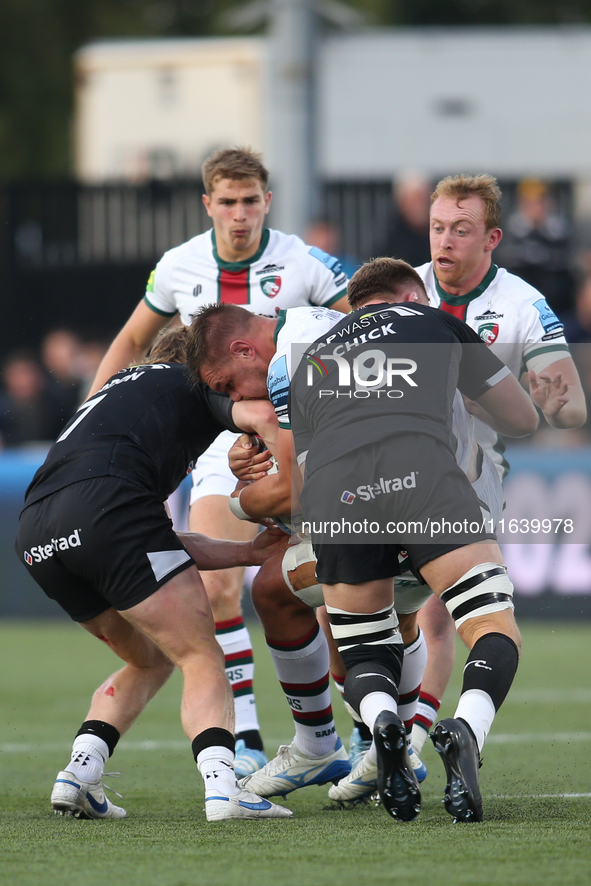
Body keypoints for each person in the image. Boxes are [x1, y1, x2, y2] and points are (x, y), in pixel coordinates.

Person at [85, 147, 350, 776]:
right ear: (208, 204)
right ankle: (249, 738)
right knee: (216, 585)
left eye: (250, 201)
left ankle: (358, 735)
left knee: (335, 584)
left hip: (296, 438)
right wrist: (92, 419)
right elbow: (131, 341)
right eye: (227, 202)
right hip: (216, 444)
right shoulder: (179, 265)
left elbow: (362, 328)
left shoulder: (306, 262)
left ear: (267, 201)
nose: (239, 215)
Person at [288, 257, 538, 822]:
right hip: (424, 478)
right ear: (414, 296)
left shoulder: (313, 359)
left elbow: (304, 473)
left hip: (336, 494)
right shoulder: (435, 323)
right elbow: (522, 419)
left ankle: (382, 726)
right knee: (492, 625)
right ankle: (466, 729)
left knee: (363, 646)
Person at [15, 327, 291, 823]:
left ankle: (79, 773)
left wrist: (247, 552)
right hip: (107, 512)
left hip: (37, 531)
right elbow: (265, 415)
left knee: (150, 659)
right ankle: (225, 789)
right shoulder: (191, 384)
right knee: (202, 653)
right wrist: (293, 479)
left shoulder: (117, 395)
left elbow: (148, 541)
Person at [410, 174, 587, 769]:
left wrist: (547, 396)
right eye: (438, 227)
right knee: (359, 607)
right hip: (389, 472)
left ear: (492, 238)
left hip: (469, 474)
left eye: (461, 230)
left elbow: (572, 407)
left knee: (441, 612)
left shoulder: (520, 305)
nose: (446, 241)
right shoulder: (403, 290)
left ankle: (412, 745)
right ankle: (375, 736)